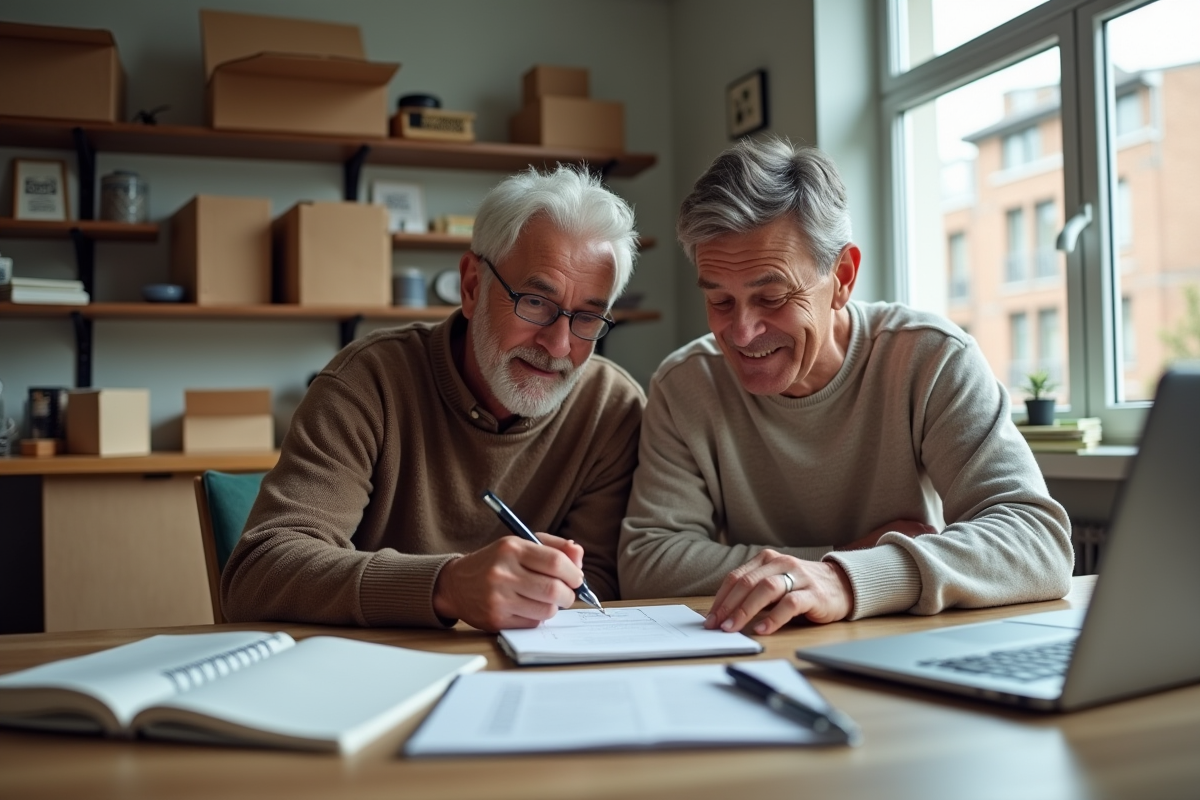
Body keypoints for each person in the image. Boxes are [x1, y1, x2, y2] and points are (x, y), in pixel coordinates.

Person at [618, 136, 1073, 635]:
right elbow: (648, 564)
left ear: (843, 277)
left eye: (771, 297)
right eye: (720, 302)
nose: (742, 332)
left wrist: (844, 581)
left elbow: (1038, 542)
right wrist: (844, 562)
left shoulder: (931, 357)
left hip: (898, 644)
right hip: (757, 651)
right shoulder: (685, 384)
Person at [222, 166, 645, 632]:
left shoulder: (613, 409)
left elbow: (603, 587)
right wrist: (446, 585)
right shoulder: (367, 382)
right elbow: (257, 573)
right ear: (471, 287)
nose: (559, 345)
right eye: (535, 302)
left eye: (587, 318)